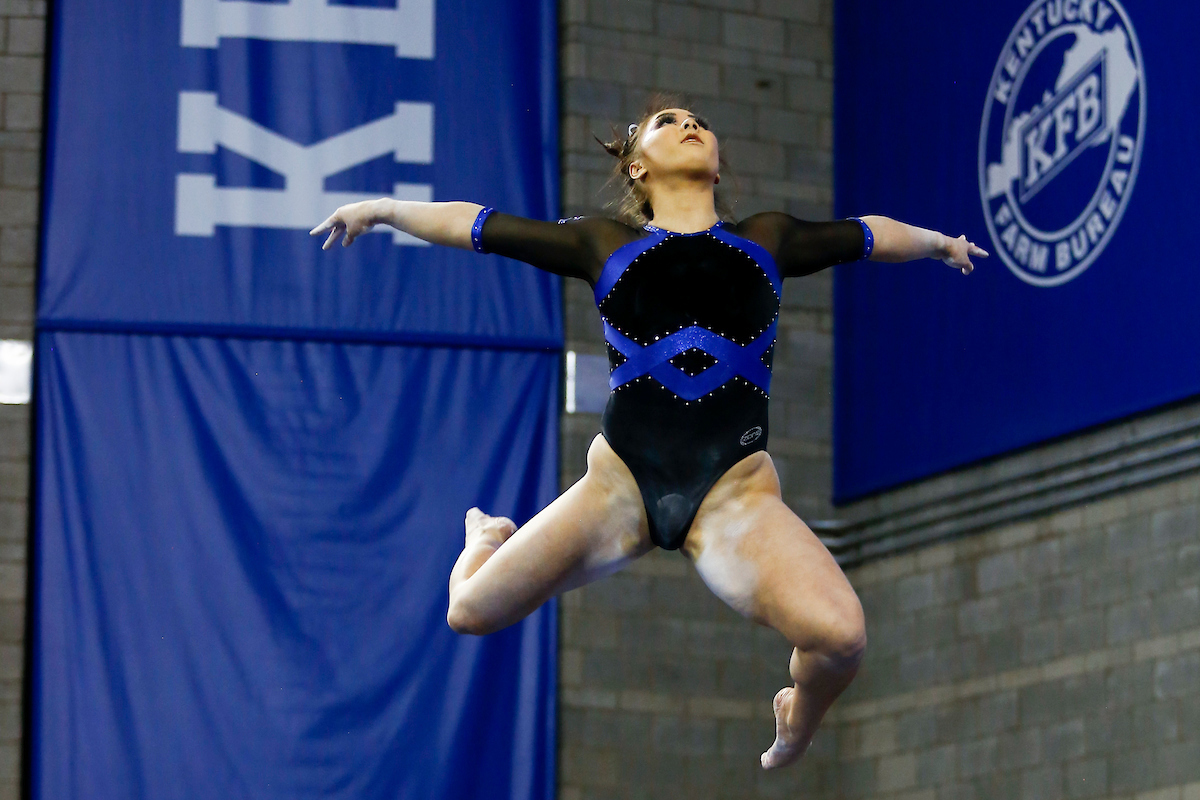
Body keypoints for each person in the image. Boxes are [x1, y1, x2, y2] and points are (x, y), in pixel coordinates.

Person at [311, 97, 987, 770]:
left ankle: (798, 716)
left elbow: (865, 234)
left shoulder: (766, 241)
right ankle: (486, 539)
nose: (689, 124)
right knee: (467, 609)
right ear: (637, 167)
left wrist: (938, 244)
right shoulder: (603, 244)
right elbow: (481, 227)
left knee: (841, 638)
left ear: (717, 168)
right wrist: (384, 210)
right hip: (620, 486)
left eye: (699, 121)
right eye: (667, 122)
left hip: (733, 492)